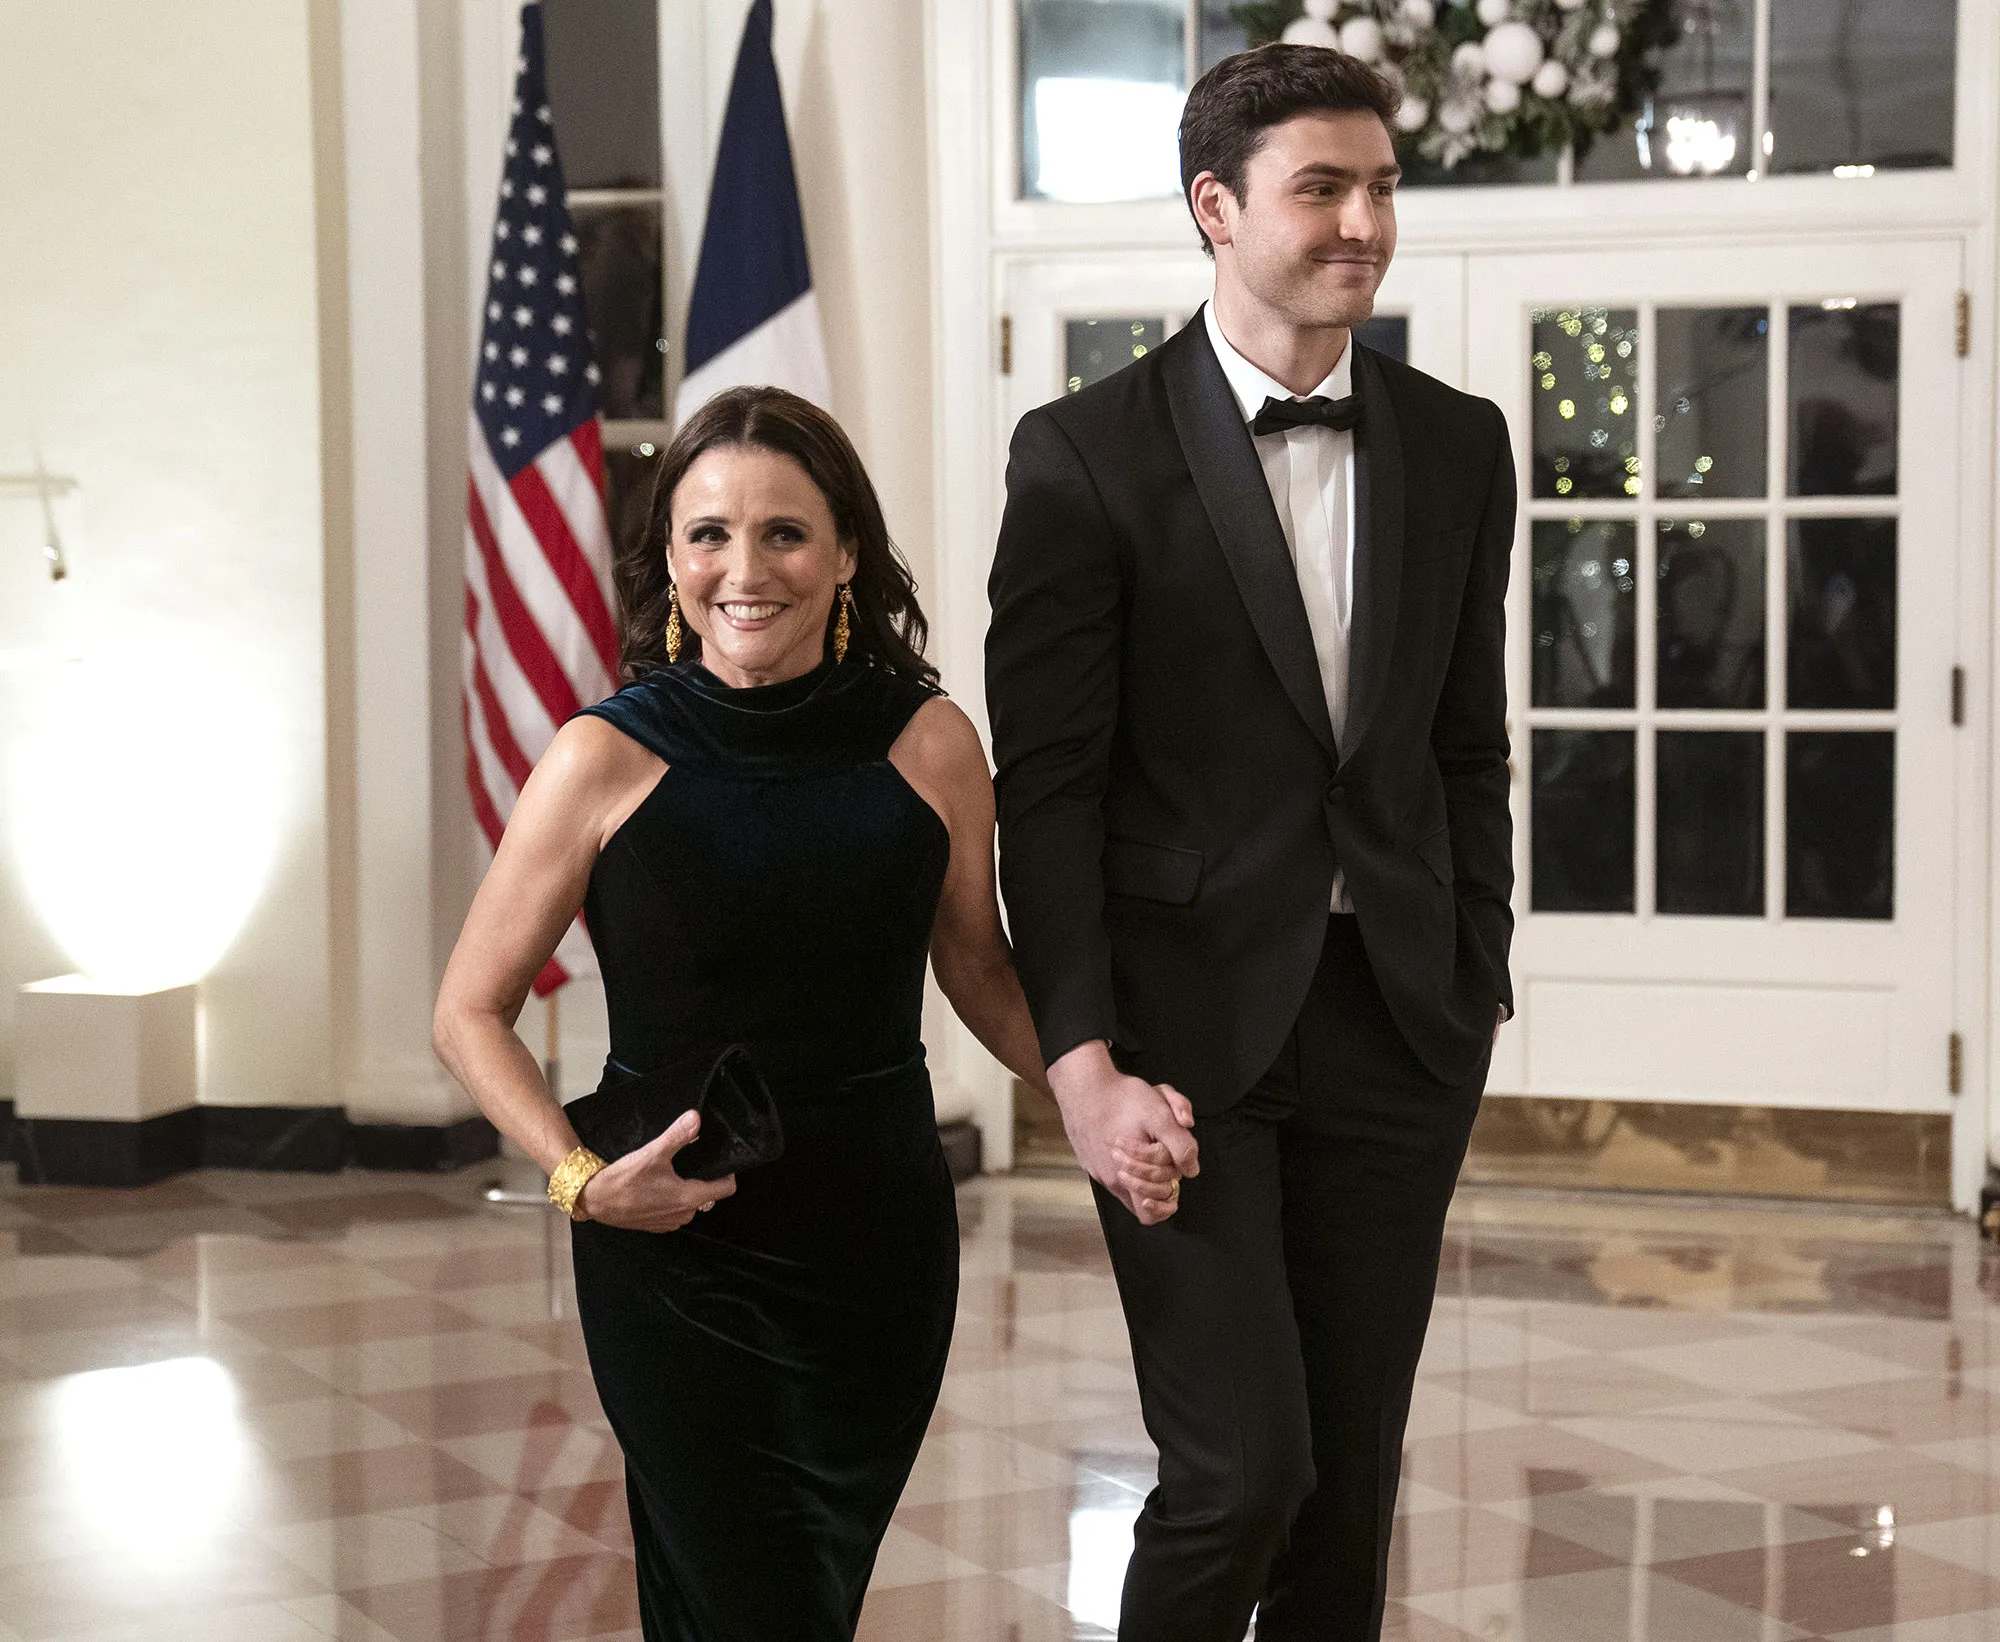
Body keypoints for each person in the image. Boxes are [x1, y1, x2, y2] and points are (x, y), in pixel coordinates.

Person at [986, 45, 1515, 1642]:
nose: (1364, 221)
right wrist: (1078, 1061)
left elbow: (1465, 741)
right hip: (1181, 1043)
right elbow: (1050, 791)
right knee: (1242, 1469)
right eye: (1323, 188)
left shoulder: (1459, 441)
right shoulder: (1083, 455)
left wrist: (1473, 972)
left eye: (1382, 187)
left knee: (1349, 1487)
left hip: (1398, 1025)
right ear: (1216, 208)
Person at [434, 386, 1052, 1640]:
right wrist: (578, 1182)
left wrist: (1101, 1091)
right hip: (674, 1242)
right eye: (708, 532)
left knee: (793, 1594)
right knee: (751, 1595)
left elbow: (978, 967)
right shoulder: (601, 755)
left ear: (844, 555)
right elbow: (469, 1011)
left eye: (783, 532)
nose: (743, 567)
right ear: (668, 558)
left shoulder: (928, 740)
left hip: (876, 1242)